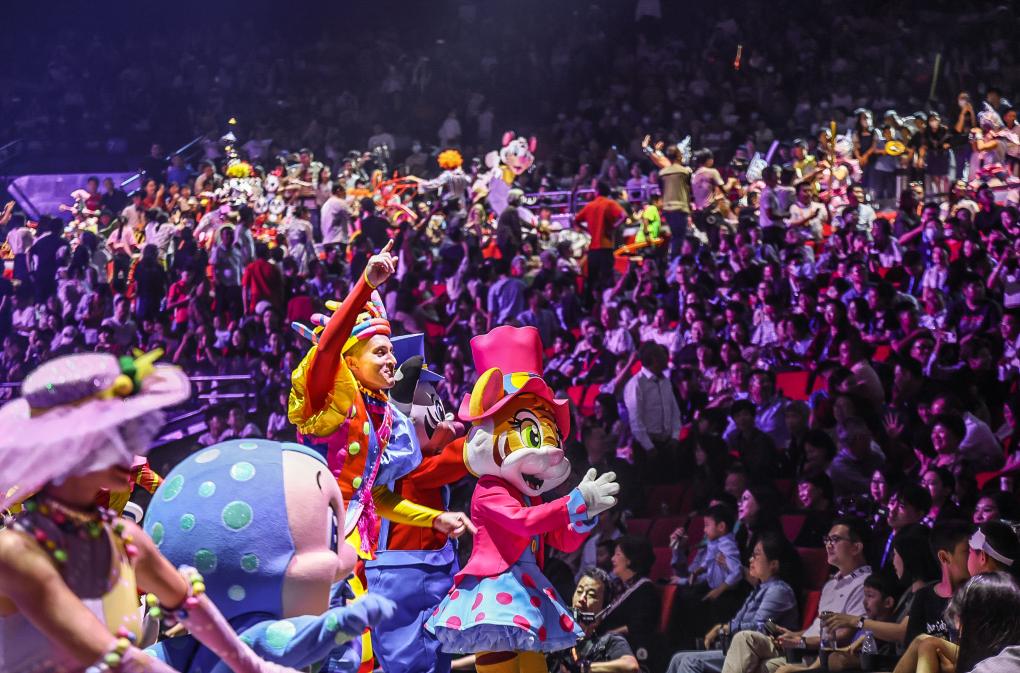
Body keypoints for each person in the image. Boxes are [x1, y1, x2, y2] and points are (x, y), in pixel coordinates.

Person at [0, 351, 301, 673]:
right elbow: (111, 656)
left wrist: (255, 666)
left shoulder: (124, 538)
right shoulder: (18, 552)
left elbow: (189, 603)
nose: (132, 449)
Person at [720, 518, 872, 673]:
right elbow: (817, 629)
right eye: (827, 540)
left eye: (835, 539)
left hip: (821, 655)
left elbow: (846, 636)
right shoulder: (830, 585)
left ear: (856, 547)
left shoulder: (865, 584)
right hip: (802, 647)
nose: (828, 544)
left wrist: (801, 641)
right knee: (745, 642)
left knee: (754, 652)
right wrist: (794, 635)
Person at [667, 531, 800, 673]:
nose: (751, 559)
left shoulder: (779, 591)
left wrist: (722, 628)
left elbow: (760, 627)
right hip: (740, 649)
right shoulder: (760, 588)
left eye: (756, 555)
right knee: (678, 658)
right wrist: (723, 631)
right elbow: (738, 621)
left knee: (691, 661)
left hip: (761, 651)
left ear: (773, 564)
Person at [546, 568, 640, 673]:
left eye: (591, 595)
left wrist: (584, 668)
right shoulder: (557, 636)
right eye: (579, 591)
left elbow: (631, 666)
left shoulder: (609, 641)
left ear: (604, 609)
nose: (582, 599)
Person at [602, 536, 661, 665]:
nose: (612, 559)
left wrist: (607, 636)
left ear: (630, 560)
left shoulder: (645, 590)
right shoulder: (619, 588)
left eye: (618, 554)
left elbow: (640, 626)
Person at [574, 182, 626, 297]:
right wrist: (613, 227)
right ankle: (606, 302)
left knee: (592, 279)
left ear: (597, 191)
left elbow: (576, 220)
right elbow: (624, 216)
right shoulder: (610, 203)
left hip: (593, 250)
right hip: (606, 248)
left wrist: (587, 230)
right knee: (606, 279)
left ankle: (590, 303)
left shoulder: (590, 205)